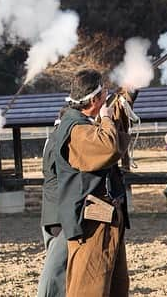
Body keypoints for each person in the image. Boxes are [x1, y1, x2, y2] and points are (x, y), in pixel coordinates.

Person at [54, 69, 131, 297]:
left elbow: (115, 139)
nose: (107, 95)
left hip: (104, 218)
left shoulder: (86, 123)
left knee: (114, 287)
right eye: (103, 93)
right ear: (95, 100)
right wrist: (106, 117)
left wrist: (126, 97)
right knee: (90, 289)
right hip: (90, 224)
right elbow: (108, 147)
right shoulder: (76, 129)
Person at [37, 107, 68, 297]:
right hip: (59, 208)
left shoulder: (53, 137)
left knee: (56, 262)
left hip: (52, 207)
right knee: (56, 266)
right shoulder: (60, 138)